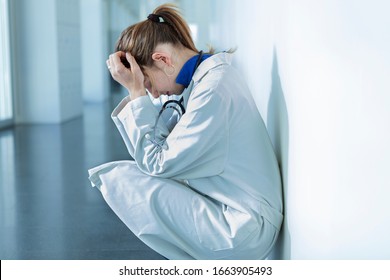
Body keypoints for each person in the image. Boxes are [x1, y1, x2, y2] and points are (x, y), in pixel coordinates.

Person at [88, 3, 283, 260]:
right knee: (130, 173)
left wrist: (135, 95)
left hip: (244, 229)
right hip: (239, 214)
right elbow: (156, 144)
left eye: (147, 83)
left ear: (163, 60)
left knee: (120, 178)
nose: (153, 93)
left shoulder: (213, 89)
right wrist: (139, 92)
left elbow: (156, 162)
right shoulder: (205, 81)